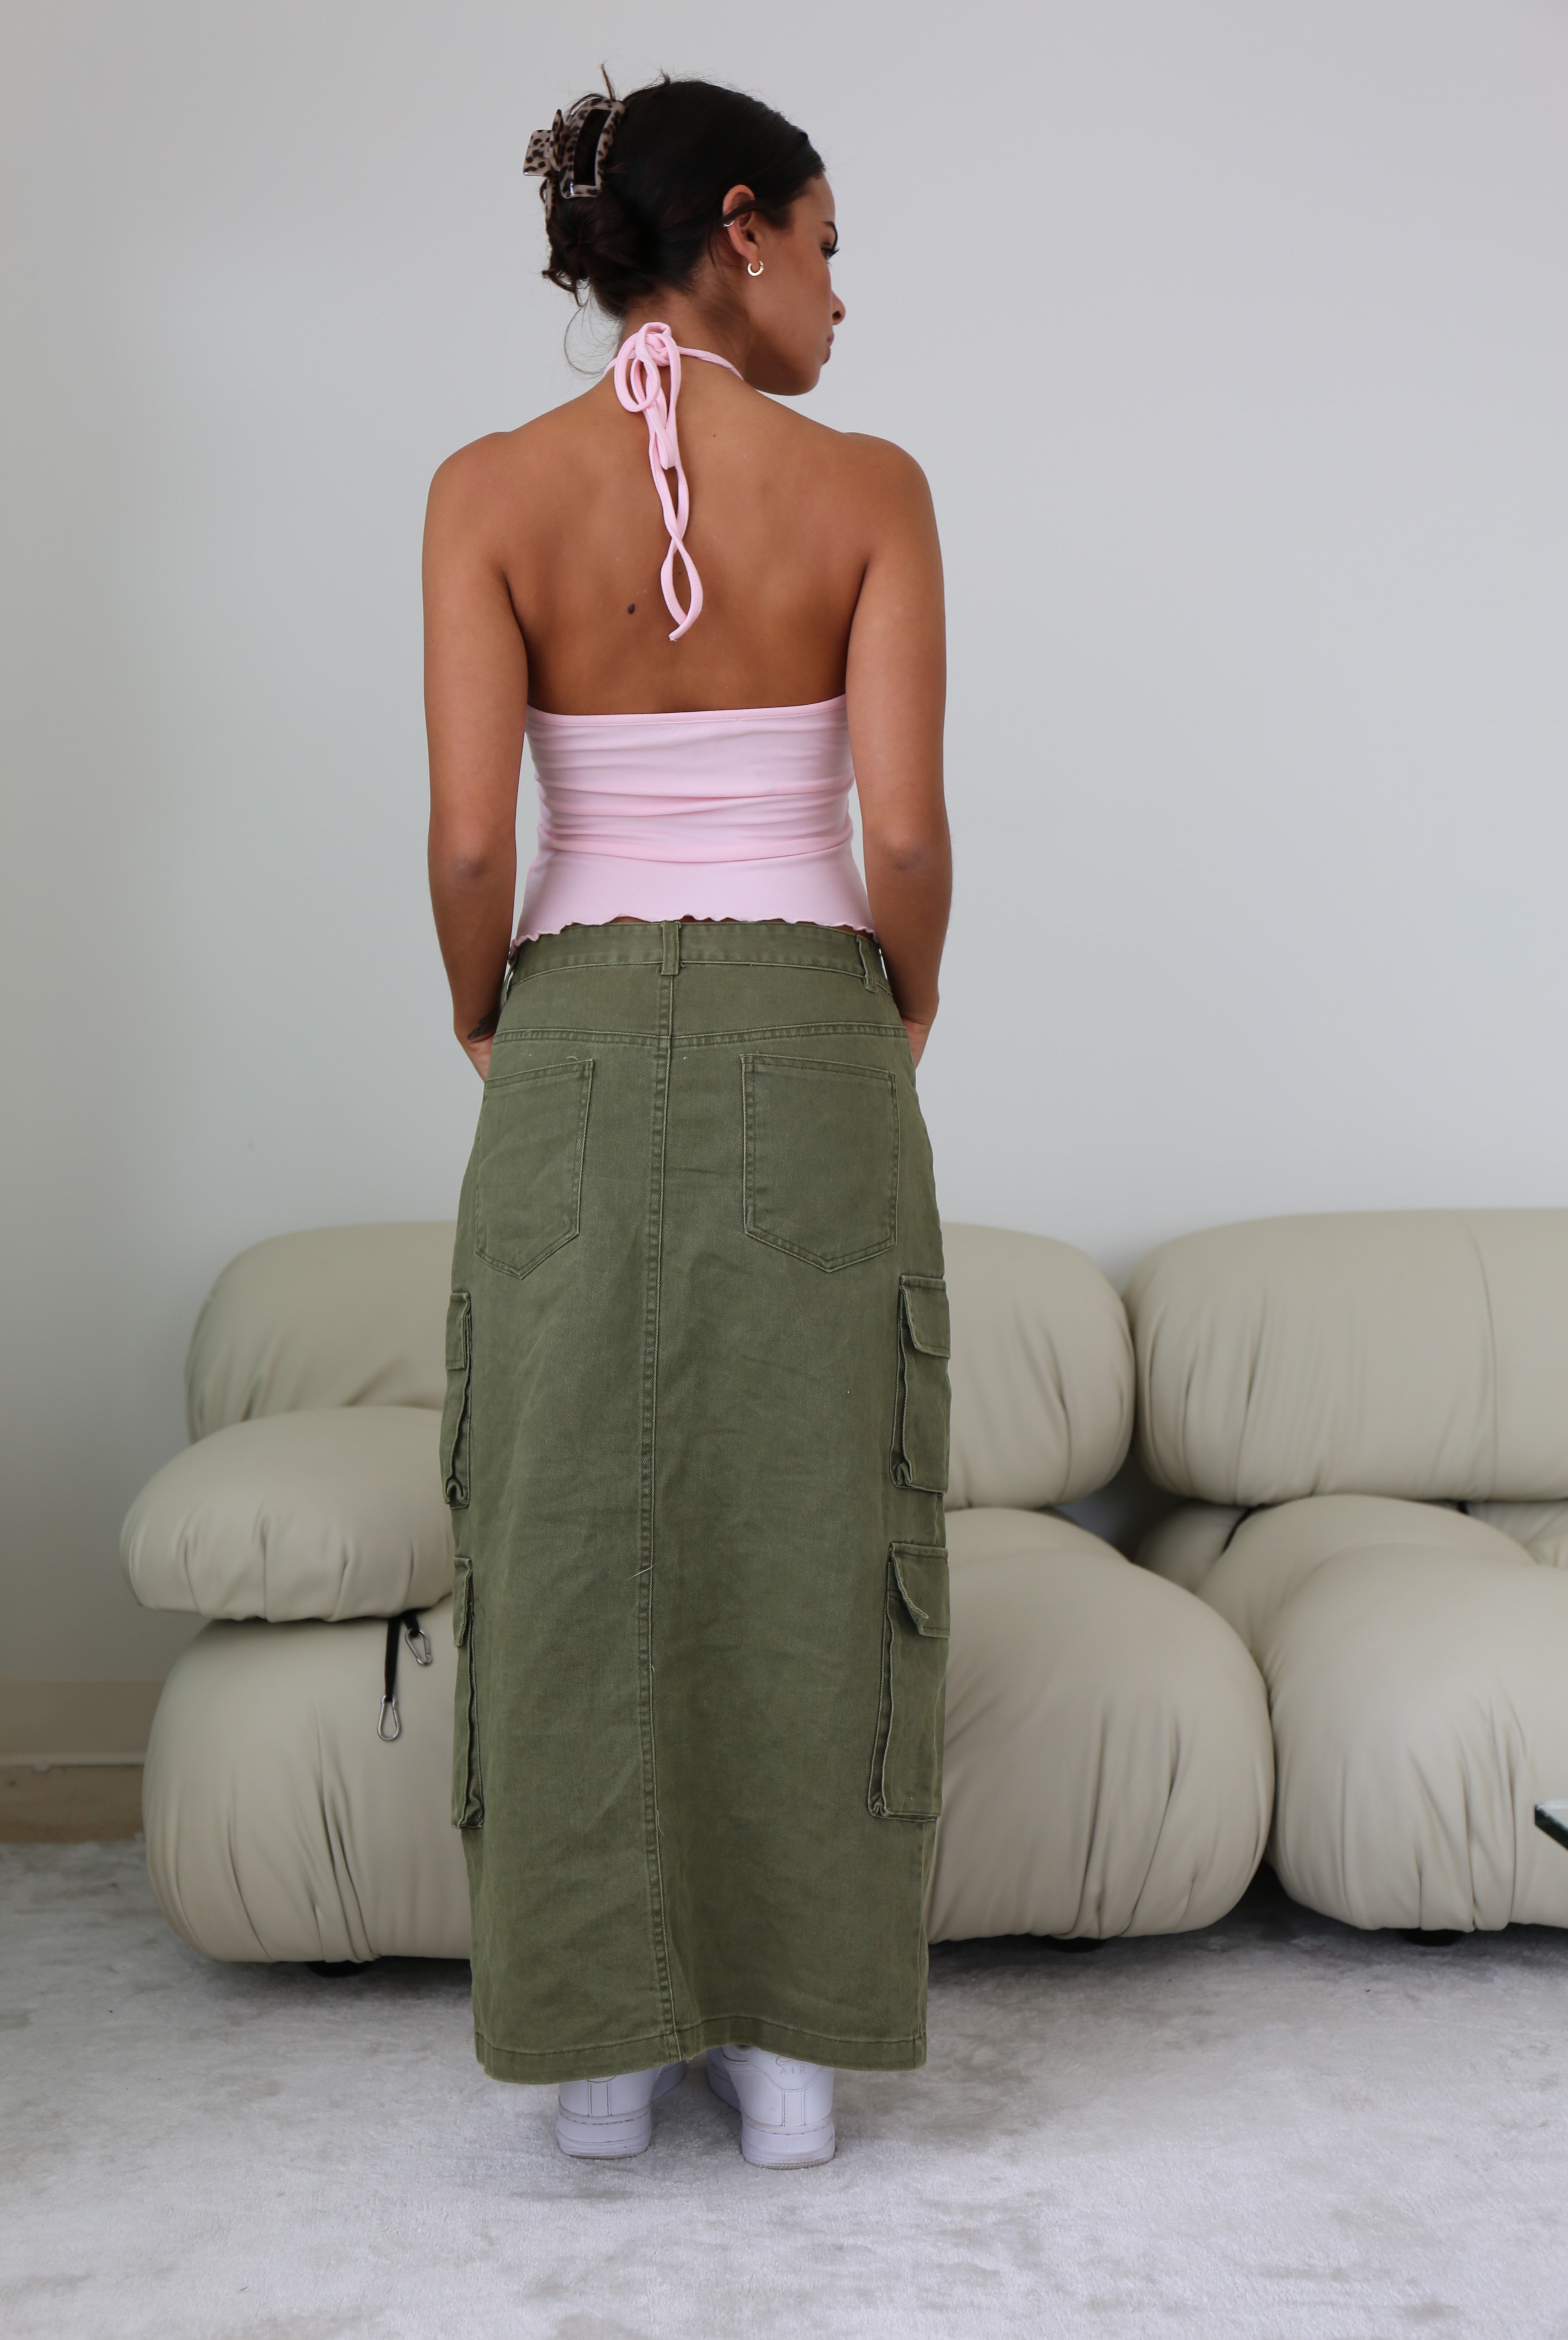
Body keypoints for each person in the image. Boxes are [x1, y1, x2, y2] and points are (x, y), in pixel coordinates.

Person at [423, 74, 952, 2169]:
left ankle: (597, 2053)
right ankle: (796, 2056)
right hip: (811, 1013)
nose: (839, 292)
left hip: (568, 1021)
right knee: (819, 1510)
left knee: (562, 1514)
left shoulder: (485, 490)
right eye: (825, 244)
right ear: (741, 229)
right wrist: (906, 992)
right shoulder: (870, 488)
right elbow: (900, 832)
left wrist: (484, 1004)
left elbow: (477, 842)